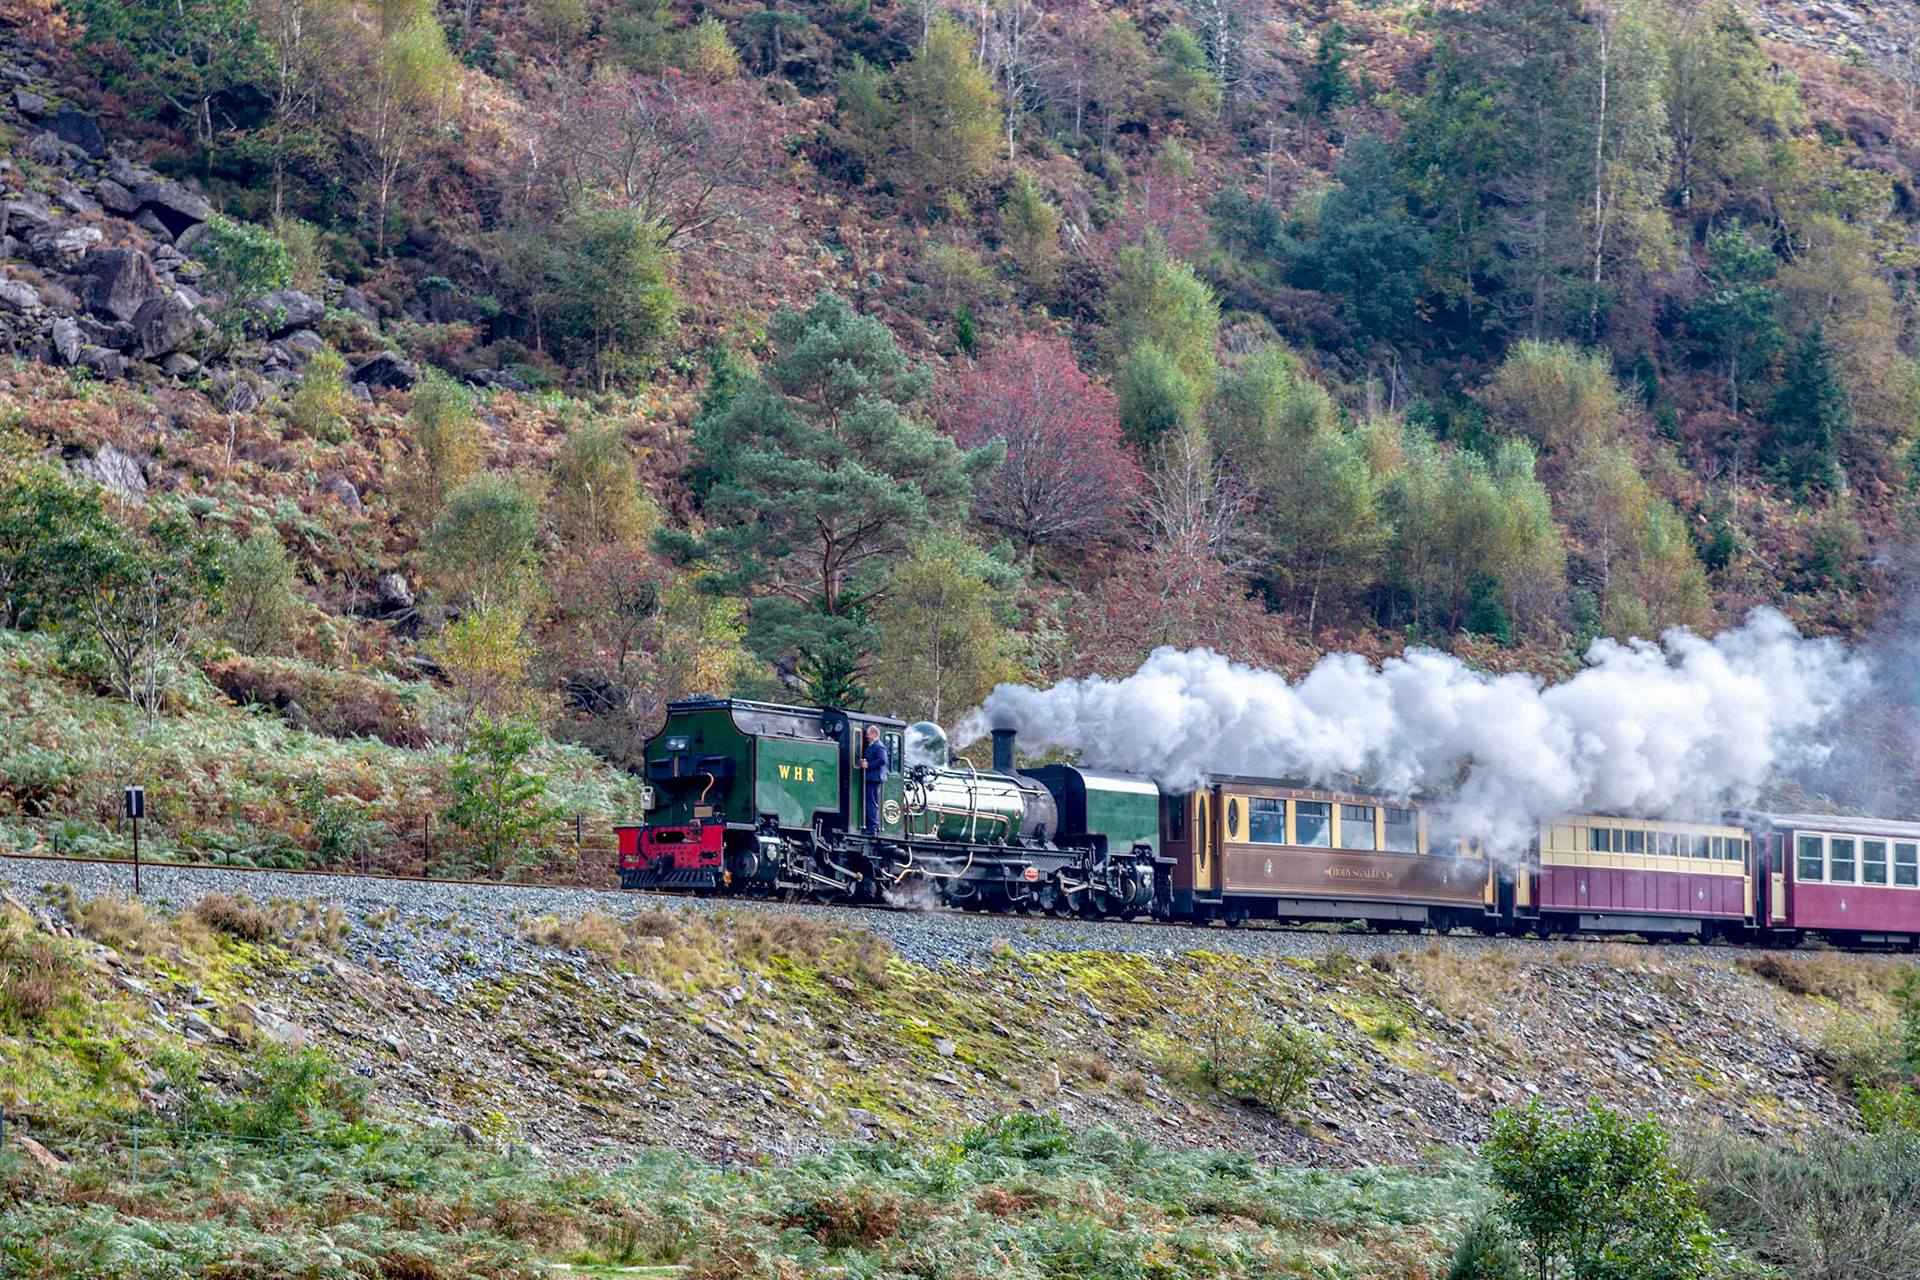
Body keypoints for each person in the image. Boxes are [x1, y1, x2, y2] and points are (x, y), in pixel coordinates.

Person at [855, 724, 887, 836]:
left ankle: (873, 828)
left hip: (875, 778)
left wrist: (868, 765)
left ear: (874, 734)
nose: (866, 736)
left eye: (868, 734)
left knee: (872, 803)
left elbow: (882, 760)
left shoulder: (879, 746)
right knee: (869, 802)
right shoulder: (871, 746)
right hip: (870, 777)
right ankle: (870, 826)